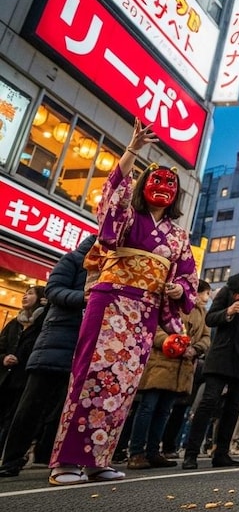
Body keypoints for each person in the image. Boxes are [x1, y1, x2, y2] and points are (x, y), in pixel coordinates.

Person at [49, 120, 197, 485]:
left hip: (145, 311)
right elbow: (111, 203)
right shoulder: (129, 216)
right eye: (156, 180)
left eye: (170, 184)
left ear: (177, 194)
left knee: (124, 382)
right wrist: (131, 151)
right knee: (92, 375)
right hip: (112, 300)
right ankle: (66, 461)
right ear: (143, 185)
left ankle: (99, 458)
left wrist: (179, 290)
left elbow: (186, 274)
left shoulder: (179, 234)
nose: (162, 187)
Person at [0, 237, 94, 477]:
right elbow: (53, 291)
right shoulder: (73, 260)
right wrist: (83, 297)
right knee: (32, 404)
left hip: (86, 347)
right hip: (56, 342)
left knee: (66, 408)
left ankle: (48, 456)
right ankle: (11, 458)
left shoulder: (111, 268)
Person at [182, 253, 239, 469]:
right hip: (222, 354)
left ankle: (222, 452)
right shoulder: (229, 288)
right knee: (208, 402)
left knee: (233, 407)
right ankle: (191, 453)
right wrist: (228, 311)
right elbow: (210, 318)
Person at [127, 280, 212, 469]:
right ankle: (136, 452)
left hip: (183, 365)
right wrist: (171, 342)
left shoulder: (200, 311)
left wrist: (196, 349)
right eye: (205, 293)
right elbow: (152, 326)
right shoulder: (167, 302)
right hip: (161, 360)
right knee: (148, 407)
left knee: (165, 410)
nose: (206, 298)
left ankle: (153, 451)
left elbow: (206, 336)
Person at [0, 286, 47, 443]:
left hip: (25, 379)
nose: (25, 296)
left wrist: (47, 309)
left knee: (14, 418)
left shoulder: (43, 324)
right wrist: (4, 358)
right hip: (6, 378)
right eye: (25, 293)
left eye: (30, 294)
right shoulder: (14, 323)